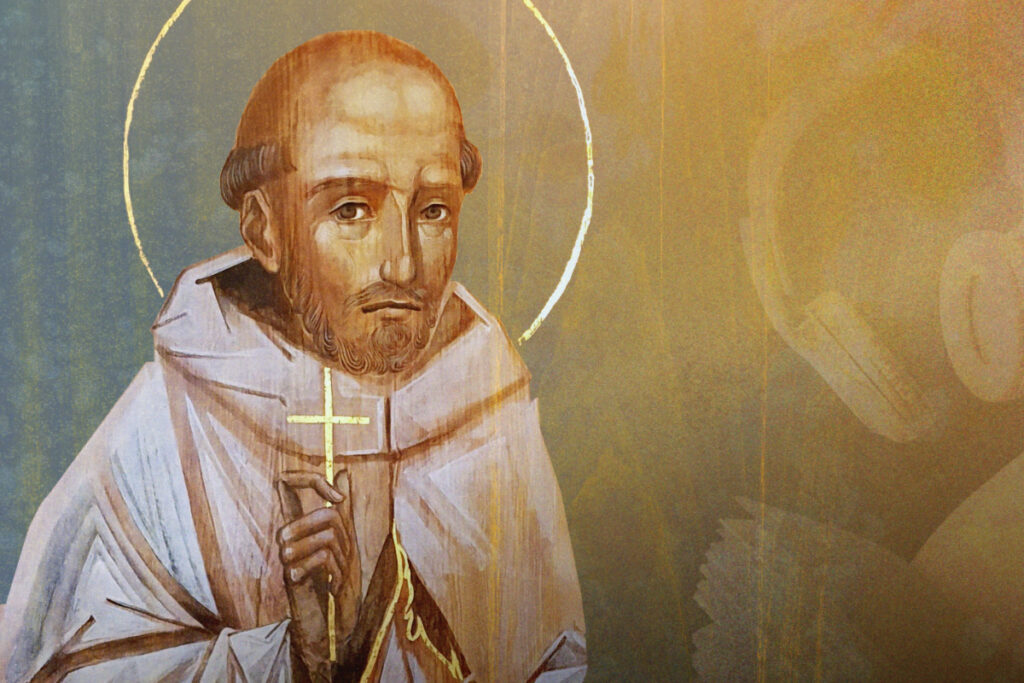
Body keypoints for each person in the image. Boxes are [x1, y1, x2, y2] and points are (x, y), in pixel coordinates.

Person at [0, 31, 586, 682]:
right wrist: (297, 655)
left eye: (434, 210)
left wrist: (370, 630)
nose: (403, 264)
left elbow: (554, 664)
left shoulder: (486, 413)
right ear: (264, 230)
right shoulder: (165, 429)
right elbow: (61, 668)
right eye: (352, 209)